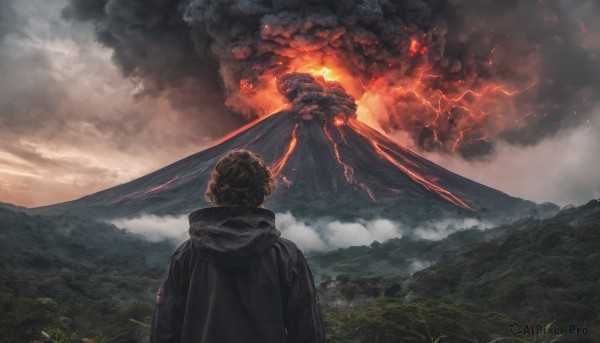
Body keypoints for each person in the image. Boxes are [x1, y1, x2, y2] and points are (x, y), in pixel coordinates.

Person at [150, 149, 326, 343]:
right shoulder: (286, 256)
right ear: (263, 191)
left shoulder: (185, 255)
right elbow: (307, 333)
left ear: (216, 190)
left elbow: (164, 331)